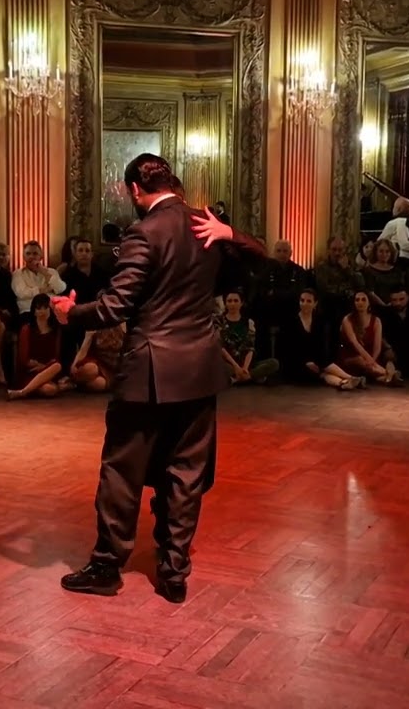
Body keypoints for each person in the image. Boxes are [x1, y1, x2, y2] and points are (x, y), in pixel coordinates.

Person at [50, 153, 266, 604]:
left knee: (122, 471)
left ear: (134, 190)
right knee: (186, 472)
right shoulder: (207, 225)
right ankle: (173, 572)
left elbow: (115, 307)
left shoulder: (143, 233)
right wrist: (232, 234)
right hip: (200, 370)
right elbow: (264, 258)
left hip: (148, 370)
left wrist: (71, 313)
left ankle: (107, 567)